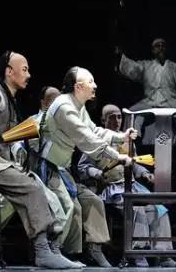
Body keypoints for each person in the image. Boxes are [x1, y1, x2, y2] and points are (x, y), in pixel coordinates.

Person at [0, 51, 77, 269]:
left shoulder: (9, 99)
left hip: (3, 163)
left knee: (25, 195)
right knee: (31, 187)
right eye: (24, 69)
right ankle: (43, 250)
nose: (29, 75)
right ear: (9, 71)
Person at [39, 66, 138, 267]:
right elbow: (88, 140)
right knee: (68, 206)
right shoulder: (65, 108)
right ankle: (52, 252)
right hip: (47, 168)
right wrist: (118, 156)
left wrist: (121, 137)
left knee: (92, 201)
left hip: (62, 170)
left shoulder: (78, 106)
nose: (95, 85)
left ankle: (90, 250)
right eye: (90, 81)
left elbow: (94, 131)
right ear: (78, 86)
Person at [77, 104, 176, 268]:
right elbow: (82, 167)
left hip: (132, 186)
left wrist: (145, 174)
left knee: (159, 209)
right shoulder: (95, 140)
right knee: (138, 207)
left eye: (119, 117)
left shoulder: (127, 140)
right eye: (112, 117)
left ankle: (163, 255)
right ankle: (138, 254)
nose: (116, 120)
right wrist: (97, 174)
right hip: (112, 189)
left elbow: (135, 162)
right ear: (103, 120)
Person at [118, 38, 176, 143]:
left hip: (170, 101)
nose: (161, 48)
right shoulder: (146, 65)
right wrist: (121, 56)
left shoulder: (173, 66)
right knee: (130, 112)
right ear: (153, 50)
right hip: (150, 101)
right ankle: (132, 140)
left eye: (163, 46)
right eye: (157, 46)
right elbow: (133, 68)